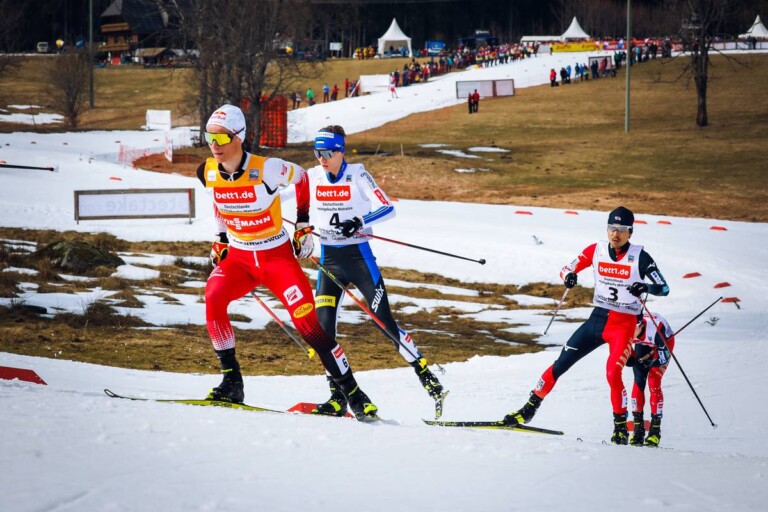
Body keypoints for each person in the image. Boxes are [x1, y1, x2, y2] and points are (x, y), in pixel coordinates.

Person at [195, 105, 378, 420]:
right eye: (210, 137)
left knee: (309, 328)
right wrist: (221, 237)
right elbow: (217, 197)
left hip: (275, 258)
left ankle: (353, 392)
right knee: (213, 297)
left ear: (239, 137)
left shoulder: (267, 168)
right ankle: (231, 381)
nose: (215, 144)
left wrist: (303, 225)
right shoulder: (207, 170)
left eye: (222, 138)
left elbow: (303, 178)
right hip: (240, 259)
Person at [305, 125, 446, 416]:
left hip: (358, 260)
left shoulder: (357, 174)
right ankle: (337, 396)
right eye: (317, 152)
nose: (322, 158)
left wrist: (358, 221)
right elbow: (284, 202)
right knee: (323, 331)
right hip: (329, 261)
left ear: (340, 151)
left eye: (327, 152)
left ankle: (426, 375)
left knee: (384, 323)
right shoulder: (312, 176)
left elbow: (387, 207)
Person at [502, 206, 670, 444]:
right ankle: (528, 409)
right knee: (562, 362)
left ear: (630, 232)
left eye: (621, 230)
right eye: (612, 228)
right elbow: (567, 268)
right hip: (597, 320)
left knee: (613, 373)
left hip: (624, 324)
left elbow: (663, 288)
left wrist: (645, 287)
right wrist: (569, 276)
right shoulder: (596, 250)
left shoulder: (641, 257)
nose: (616, 234)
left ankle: (620, 428)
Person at [627, 311, 675, 446]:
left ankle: (655, 430)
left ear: (641, 326)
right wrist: (629, 358)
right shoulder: (628, 329)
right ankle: (638, 428)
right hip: (642, 343)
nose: (628, 332)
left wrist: (651, 362)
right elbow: (622, 348)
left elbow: (663, 357)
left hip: (663, 343)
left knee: (653, 380)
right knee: (638, 380)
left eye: (632, 329)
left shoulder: (656, 328)